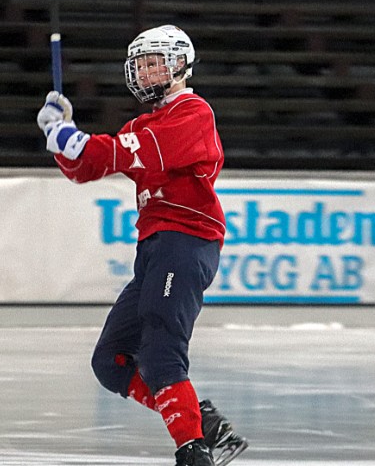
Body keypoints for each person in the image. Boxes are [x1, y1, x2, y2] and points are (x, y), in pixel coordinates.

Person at [36, 25, 248, 466]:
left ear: (179, 65)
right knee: (110, 362)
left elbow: (139, 151)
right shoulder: (142, 124)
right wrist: (59, 135)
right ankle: (199, 421)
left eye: (155, 62)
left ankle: (193, 452)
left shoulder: (193, 112)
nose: (146, 71)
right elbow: (88, 166)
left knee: (160, 352)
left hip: (186, 241)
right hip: (153, 249)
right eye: (141, 64)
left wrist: (73, 140)